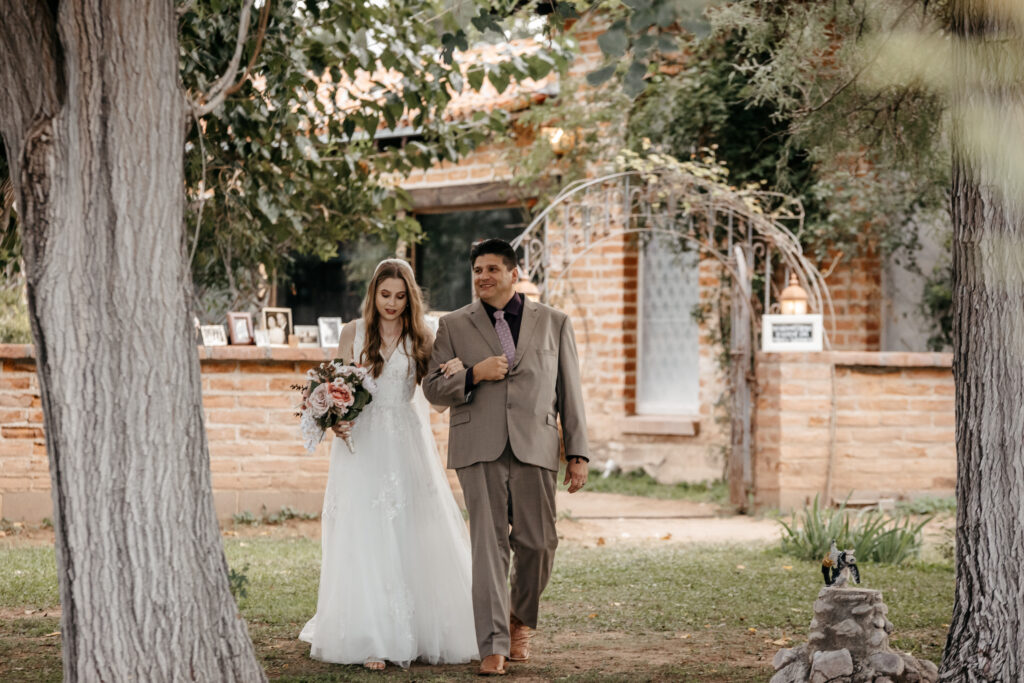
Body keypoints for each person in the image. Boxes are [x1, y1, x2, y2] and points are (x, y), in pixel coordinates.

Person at [299, 258, 476, 671]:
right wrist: (335, 422)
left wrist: (452, 370)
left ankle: (416, 628)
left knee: (413, 530)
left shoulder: (423, 336)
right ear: (373, 294)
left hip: (407, 440)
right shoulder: (353, 332)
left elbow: (434, 395)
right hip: (363, 444)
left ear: (409, 297)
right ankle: (372, 635)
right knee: (366, 532)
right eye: (384, 295)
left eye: (399, 297)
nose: (392, 304)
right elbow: (337, 386)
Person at [423, 238, 589, 676]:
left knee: (539, 543)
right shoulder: (454, 325)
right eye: (477, 270)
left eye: (492, 269)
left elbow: (570, 392)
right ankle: (493, 644)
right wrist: (475, 374)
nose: (483, 277)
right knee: (489, 546)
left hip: (535, 445)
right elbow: (432, 388)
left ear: (514, 274)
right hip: (478, 446)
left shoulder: (554, 322)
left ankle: (519, 618)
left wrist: (578, 453)